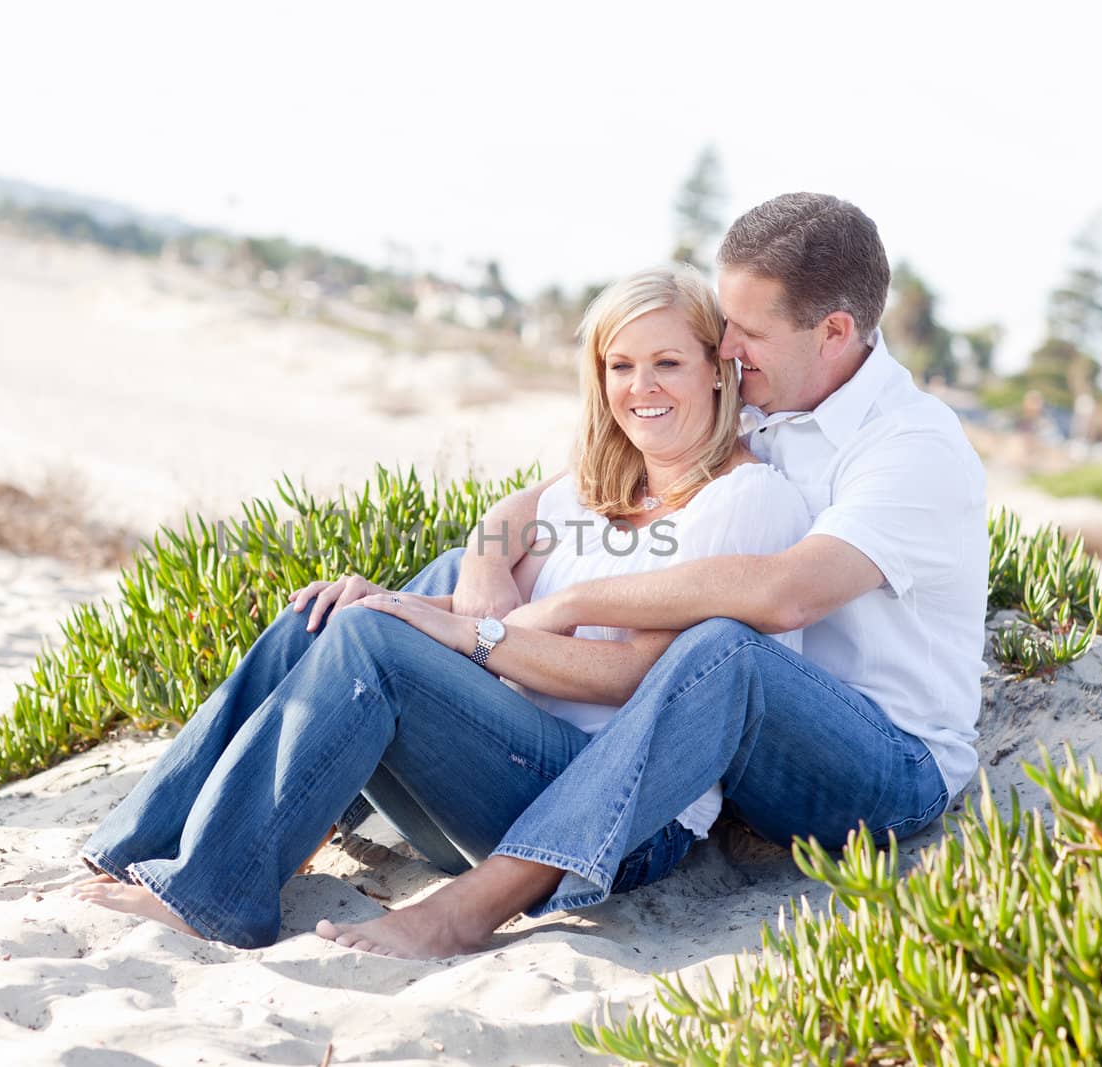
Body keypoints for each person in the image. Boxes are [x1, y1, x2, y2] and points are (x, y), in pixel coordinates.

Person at [315, 192, 987, 959]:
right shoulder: (763, 398)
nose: (726, 345)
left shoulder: (911, 445)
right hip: (739, 743)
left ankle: (474, 906)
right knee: (402, 595)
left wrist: (572, 603)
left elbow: (784, 593)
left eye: (749, 329)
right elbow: (549, 497)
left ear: (833, 331)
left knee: (724, 648)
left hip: (882, 766)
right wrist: (484, 558)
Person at [73, 265, 811, 950]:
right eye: (620, 366)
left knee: (374, 639)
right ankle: (136, 849)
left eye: (667, 363)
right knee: (323, 615)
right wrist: (485, 566)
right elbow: (509, 516)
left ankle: (210, 895)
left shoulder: (743, 500)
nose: (640, 386)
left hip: (610, 816)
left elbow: (636, 677)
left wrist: (466, 633)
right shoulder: (616, 476)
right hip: (496, 778)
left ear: (719, 370)